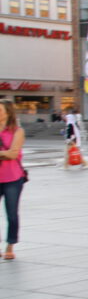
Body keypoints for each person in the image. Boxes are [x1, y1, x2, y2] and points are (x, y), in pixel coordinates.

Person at [0, 100, 26, 260]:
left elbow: (13, 154)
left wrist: (6, 153)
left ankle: (10, 244)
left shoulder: (18, 131)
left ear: (8, 113)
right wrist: (4, 153)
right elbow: (7, 153)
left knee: (11, 213)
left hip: (13, 178)